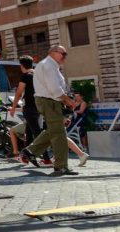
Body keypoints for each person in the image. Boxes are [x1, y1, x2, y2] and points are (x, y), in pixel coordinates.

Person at [20, 46, 78, 176]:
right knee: (59, 134)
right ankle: (60, 166)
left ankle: (30, 151)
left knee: (53, 130)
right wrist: (68, 101)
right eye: (63, 53)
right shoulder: (49, 66)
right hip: (49, 101)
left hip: (49, 101)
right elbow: (55, 90)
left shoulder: (51, 66)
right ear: (52, 53)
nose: (65, 56)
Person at [10, 55, 51, 165]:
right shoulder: (38, 75)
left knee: (37, 133)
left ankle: (47, 159)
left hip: (30, 108)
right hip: (39, 107)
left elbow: (19, 92)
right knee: (29, 132)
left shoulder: (25, 76)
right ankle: (25, 157)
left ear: (21, 66)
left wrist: (13, 107)